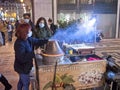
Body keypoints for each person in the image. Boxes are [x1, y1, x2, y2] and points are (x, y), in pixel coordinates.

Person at [14, 23, 48, 90]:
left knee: (21, 81)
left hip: (27, 66)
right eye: (29, 31)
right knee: (26, 83)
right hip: (22, 68)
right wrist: (34, 52)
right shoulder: (19, 43)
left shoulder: (28, 39)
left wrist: (48, 40)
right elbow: (22, 58)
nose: (31, 32)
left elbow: (38, 41)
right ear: (24, 32)